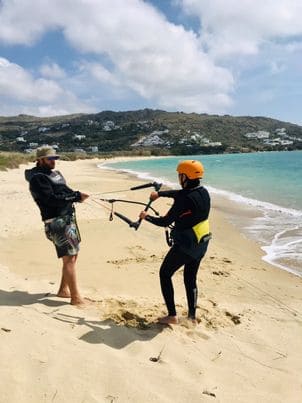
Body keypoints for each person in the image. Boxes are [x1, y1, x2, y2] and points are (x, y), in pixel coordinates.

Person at [139, 160, 211, 324]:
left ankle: (172, 315)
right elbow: (180, 193)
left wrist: (146, 217)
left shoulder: (183, 200)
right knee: (190, 278)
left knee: (165, 273)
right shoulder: (203, 192)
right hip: (202, 242)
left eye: (180, 175)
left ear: (185, 176)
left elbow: (164, 222)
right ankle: (192, 317)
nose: (179, 178)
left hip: (186, 246)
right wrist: (161, 194)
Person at [25, 146, 89, 306]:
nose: (54, 161)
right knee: (69, 259)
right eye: (50, 159)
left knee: (72, 256)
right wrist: (74, 197)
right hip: (55, 222)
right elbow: (50, 199)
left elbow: (65, 191)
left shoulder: (56, 174)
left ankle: (63, 290)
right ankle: (76, 298)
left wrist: (77, 195)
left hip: (67, 219)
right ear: (40, 160)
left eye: (55, 158)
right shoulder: (37, 178)